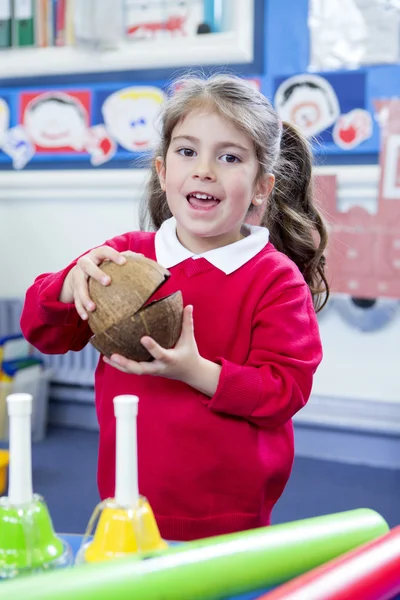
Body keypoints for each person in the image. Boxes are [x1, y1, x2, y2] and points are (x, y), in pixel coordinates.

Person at [20, 74, 329, 542]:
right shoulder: (124, 256)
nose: (204, 169)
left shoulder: (275, 279)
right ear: (163, 172)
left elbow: (286, 389)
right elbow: (42, 331)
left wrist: (196, 371)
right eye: (188, 152)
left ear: (262, 187)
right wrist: (69, 284)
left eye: (229, 157)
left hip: (231, 522)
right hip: (125, 505)